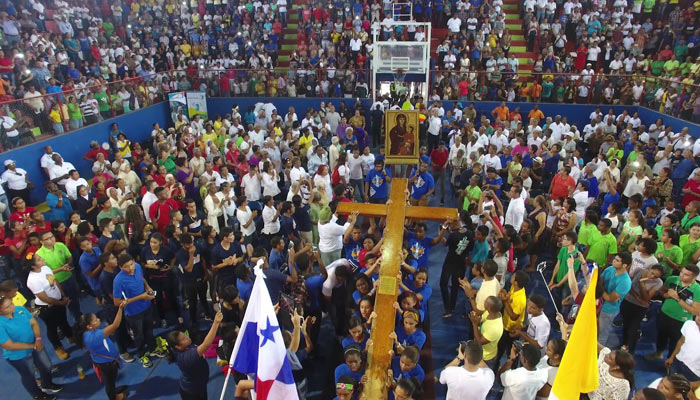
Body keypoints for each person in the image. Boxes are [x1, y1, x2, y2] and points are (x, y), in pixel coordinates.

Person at [0, 295, 63, 400]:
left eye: (11, 303)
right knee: (29, 376)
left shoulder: (20, 309)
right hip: (19, 356)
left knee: (46, 366)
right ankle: (37, 395)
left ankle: (47, 384)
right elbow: (8, 345)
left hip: (35, 345)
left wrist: (38, 339)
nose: (12, 307)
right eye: (7, 307)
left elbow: (33, 323)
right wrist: (32, 345)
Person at [75, 302, 130, 400]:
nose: (98, 320)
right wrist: (120, 308)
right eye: (96, 320)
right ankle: (113, 396)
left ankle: (112, 390)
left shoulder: (86, 334)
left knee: (110, 380)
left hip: (101, 362)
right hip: (107, 364)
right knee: (109, 381)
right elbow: (116, 325)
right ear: (89, 326)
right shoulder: (96, 336)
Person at [112, 254, 159, 368]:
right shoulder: (118, 280)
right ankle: (142, 355)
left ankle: (153, 349)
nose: (131, 268)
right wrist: (141, 297)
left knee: (149, 331)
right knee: (139, 336)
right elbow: (117, 302)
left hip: (147, 306)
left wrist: (147, 287)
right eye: (127, 267)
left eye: (131, 264)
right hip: (133, 313)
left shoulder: (137, 267)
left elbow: (141, 277)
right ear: (121, 267)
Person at [165, 311, 224, 400]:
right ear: (178, 346)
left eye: (185, 335)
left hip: (199, 385)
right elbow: (206, 344)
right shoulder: (186, 357)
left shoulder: (183, 347)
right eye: (184, 339)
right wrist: (215, 323)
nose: (187, 337)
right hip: (193, 393)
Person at [26, 254, 73, 360]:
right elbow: (44, 298)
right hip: (47, 308)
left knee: (63, 320)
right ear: (33, 266)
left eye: (41, 257)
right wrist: (60, 303)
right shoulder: (32, 280)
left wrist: (63, 296)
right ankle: (58, 348)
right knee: (52, 328)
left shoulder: (45, 268)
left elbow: (55, 281)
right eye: (39, 259)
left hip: (58, 300)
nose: (43, 258)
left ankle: (70, 336)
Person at [598, 252, 633, 347]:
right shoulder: (610, 269)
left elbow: (610, 298)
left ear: (625, 265)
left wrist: (599, 291)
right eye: (615, 258)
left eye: (617, 260)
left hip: (609, 309)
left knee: (602, 333)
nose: (613, 261)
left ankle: (598, 356)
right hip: (598, 302)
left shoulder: (625, 282)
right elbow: (600, 283)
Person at [665, 314, 700, 382]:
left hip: (694, 373)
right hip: (677, 362)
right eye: (699, 314)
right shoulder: (689, 324)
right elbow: (681, 341)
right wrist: (672, 357)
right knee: (669, 385)